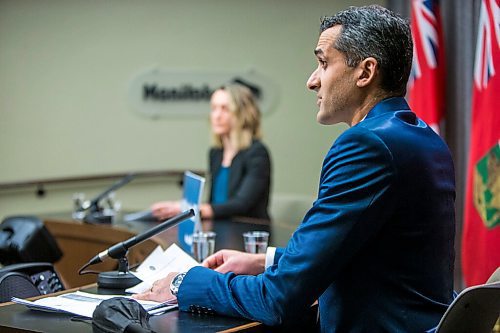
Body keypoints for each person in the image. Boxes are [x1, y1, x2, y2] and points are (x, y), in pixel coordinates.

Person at [134, 5, 455, 332]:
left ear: (365, 72)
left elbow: (278, 298)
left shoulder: (366, 145)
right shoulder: (425, 138)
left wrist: (184, 282)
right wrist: (266, 261)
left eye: (323, 63)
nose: (312, 81)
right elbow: (377, 253)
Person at [151, 83, 271, 222]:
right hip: (219, 227)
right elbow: (213, 201)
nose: (217, 115)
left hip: (247, 232)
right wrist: (184, 208)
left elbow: (241, 204)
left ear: (243, 113)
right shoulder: (215, 153)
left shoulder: (257, 153)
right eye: (214, 108)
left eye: (225, 109)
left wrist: (188, 209)